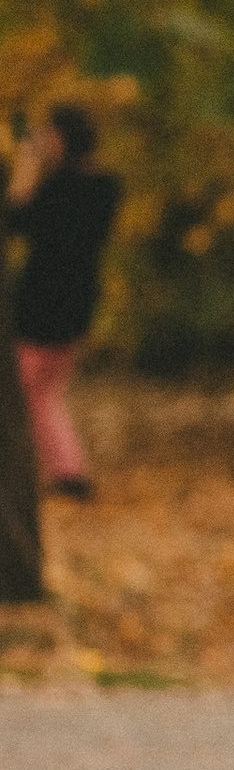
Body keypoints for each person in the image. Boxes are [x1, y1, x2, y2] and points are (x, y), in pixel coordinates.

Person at [6, 104, 121, 500]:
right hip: (80, 299)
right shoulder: (108, 185)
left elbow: (14, 218)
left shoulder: (61, 187)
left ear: (59, 138)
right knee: (46, 393)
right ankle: (69, 474)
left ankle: (56, 475)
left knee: (22, 392)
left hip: (44, 300)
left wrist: (27, 162)